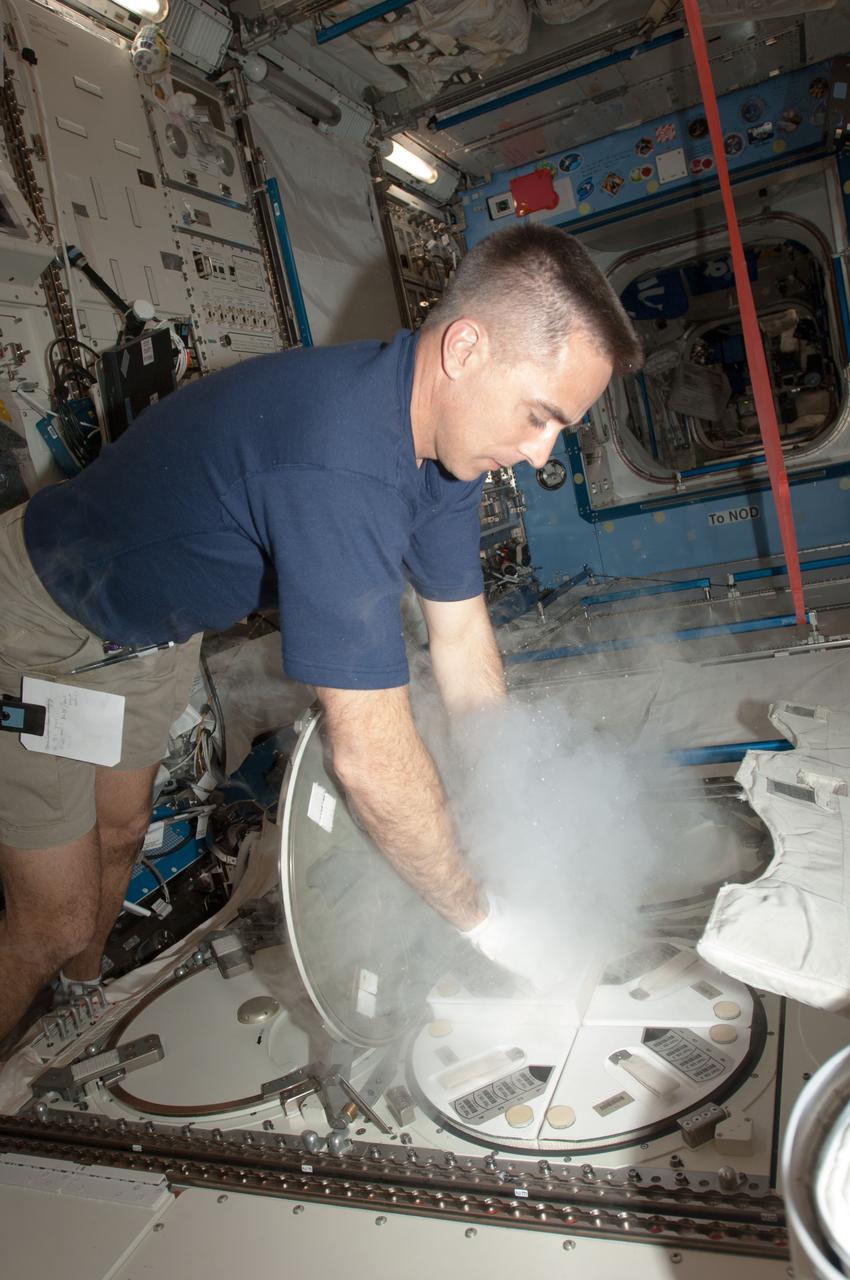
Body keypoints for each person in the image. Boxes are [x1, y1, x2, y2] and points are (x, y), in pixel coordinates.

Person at [0, 223, 642, 1044]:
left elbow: (461, 645)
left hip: (153, 639)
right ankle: (51, 974)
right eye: (539, 416)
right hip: (40, 624)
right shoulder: (339, 459)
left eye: (561, 429)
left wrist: (508, 816)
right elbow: (367, 759)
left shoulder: (444, 448)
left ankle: (81, 997)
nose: (538, 451)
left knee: (122, 834)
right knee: (52, 922)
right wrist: (491, 927)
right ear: (466, 349)